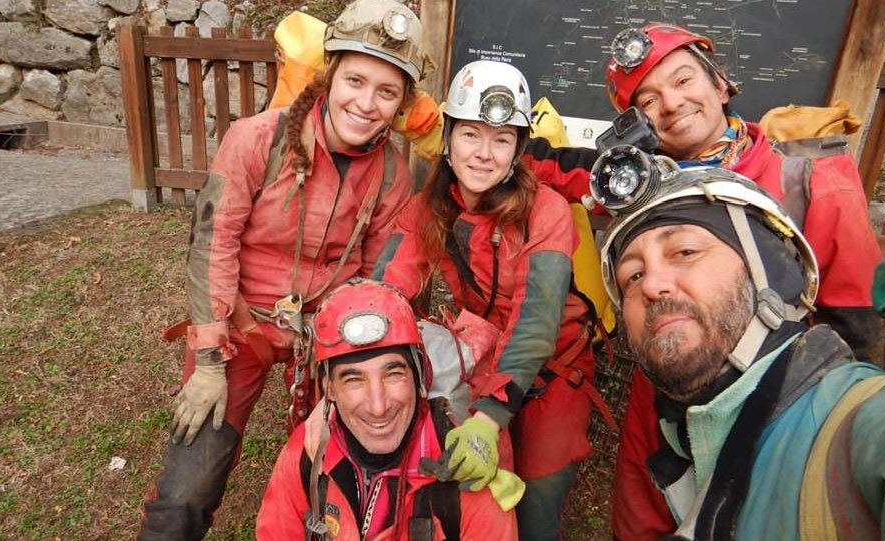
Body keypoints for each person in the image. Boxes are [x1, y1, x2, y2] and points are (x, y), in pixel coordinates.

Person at [546, 23, 885, 540]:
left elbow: (853, 332)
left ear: (721, 83)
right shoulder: (639, 187)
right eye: (649, 100)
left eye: (683, 81)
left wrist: (836, 434)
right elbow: (561, 168)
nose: (672, 103)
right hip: (664, 391)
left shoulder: (809, 179)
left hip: (783, 409)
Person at [136, 1, 432, 538]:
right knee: (189, 482)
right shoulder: (257, 139)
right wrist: (207, 361)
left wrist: (358, 362)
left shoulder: (392, 173)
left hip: (325, 333)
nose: (365, 104)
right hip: (239, 326)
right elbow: (212, 241)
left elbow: (381, 280)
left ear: (401, 105)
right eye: (356, 80)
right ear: (330, 74)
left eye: (386, 92)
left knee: (341, 454)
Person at [599, 163, 885, 541]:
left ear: (771, 271)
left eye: (685, 251)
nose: (652, 285)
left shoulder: (874, 425)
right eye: (634, 276)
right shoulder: (682, 445)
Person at [373, 60, 599, 541]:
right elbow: (389, 287)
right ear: (449, 140)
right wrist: (365, 349)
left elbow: (536, 323)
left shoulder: (548, 211)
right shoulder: (429, 207)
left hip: (555, 365)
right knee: (457, 491)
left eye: (500, 140)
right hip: (478, 351)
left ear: (518, 149)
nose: (483, 154)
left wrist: (490, 418)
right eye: (471, 135)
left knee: (537, 507)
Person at [255, 278, 519, 541]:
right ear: (330, 390)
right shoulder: (307, 453)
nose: (378, 406)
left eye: (393, 374)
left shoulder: (469, 482)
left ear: (420, 379)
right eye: (353, 380)